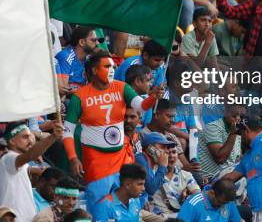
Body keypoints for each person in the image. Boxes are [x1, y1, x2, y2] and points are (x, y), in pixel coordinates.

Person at [63, 50, 161, 214]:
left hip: (121, 161)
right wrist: (73, 158)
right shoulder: (79, 96)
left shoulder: (122, 87)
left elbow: (141, 106)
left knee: (129, 209)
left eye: (113, 67)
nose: (112, 70)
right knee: (99, 210)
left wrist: (153, 97)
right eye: (107, 66)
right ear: (95, 70)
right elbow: (67, 131)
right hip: (96, 162)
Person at [0, 120, 64, 221]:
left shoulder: (21, 164)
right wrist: (53, 136)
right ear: (11, 141)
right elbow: (31, 155)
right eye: (25, 137)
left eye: (30, 136)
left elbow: (30, 163)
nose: (30, 141)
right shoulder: (8, 158)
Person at [150, 142, 200, 217]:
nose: (171, 156)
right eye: (167, 153)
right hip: (158, 218)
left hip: (179, 216)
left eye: (174, 152)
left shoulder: (186, 175)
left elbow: (197, 196)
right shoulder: (151, 174)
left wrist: (187, 196)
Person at [197, 104, 244, 181]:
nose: (238, 119)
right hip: (210, 178)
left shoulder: (236, 129)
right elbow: (220, 159)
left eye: (241, 116)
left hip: (227, 176)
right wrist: (233, 133)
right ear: (225, 112)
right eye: (234, 116)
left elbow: (237, 157)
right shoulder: (213, 127)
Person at [55, 26, 99, 92]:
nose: (97, 43)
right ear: (81, 42)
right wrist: (88, 91)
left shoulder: (88, 59)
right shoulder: (65, 57)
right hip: (68, 100)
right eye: (93, 40)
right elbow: (63, 90)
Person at [133, 132, 173, 202]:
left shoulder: (153, 165)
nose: (167, 151)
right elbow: (151, 189)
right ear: (150, 148)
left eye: (167, 148)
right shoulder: (140, 159)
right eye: (163, 147)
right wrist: (162, 166)